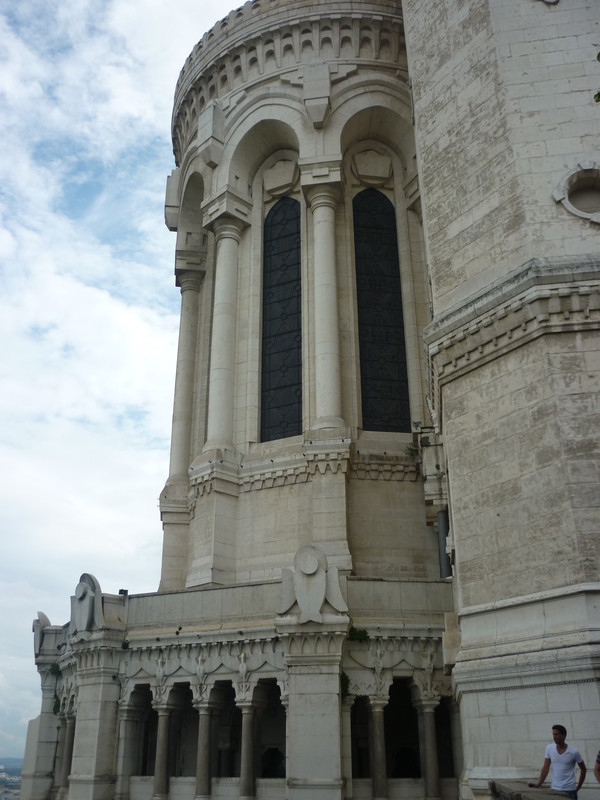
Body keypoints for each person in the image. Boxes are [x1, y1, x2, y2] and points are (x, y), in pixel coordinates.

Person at [529, 725, 586, 799]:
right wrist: (539, 784)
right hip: (554, 789)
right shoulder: (549, 748)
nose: (554, 737)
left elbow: (583, 769)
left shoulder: (574, 751)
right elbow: (545, 768)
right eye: (553, 734)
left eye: (556, 734)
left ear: (563, 735)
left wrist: (578, 787)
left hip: (570, 790)